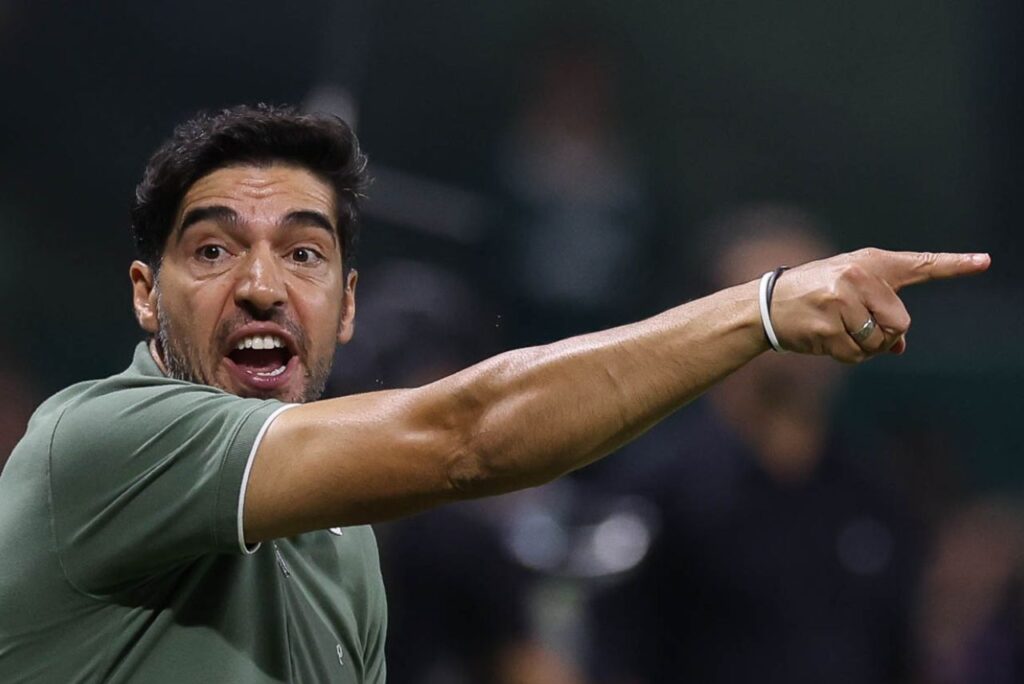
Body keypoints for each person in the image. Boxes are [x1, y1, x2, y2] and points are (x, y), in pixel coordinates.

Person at [0, 104, 989, 683]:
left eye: (303, 252)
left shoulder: (337, 545)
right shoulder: (101, 442)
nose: (261, 284)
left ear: (345, 308)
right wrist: (760, 312)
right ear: (143, 295)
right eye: (212, 248)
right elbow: (466, 438)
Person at [587, 205, 925, 684]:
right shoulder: (654, 494)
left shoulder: (876, 496)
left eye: (831, 300)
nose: (817, 320)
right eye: (786, 302)